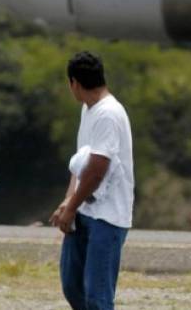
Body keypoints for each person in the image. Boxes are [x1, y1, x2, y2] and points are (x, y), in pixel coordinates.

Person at [50, 51, 134, 310]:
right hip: (84, 210)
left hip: (107, 217)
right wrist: (68, 201)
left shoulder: (108, 113)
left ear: (74, 83)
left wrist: (72, 206)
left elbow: (98, 169)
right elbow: (81, 162)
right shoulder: (90, 109)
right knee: (73, 286)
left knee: (97, 296)